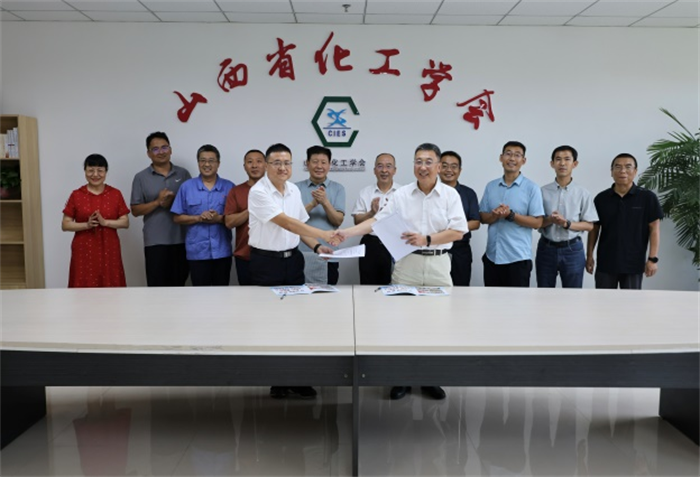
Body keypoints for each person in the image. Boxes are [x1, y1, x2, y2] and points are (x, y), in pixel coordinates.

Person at [333, 143, 467, 401]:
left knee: (436, 324)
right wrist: (346, 233)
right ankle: (401, 378)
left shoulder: (450, 195)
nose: (423, 166)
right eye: (418, 161)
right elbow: (376, 221)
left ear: (439, 166)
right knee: (403, 323)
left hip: (438, 263)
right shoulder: (402, 194)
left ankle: (430, 379)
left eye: (428, 161)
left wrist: (427, 239)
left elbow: (458, 231)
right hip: (407, 264)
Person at [248, 143, 337, 400]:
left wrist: (318, 246)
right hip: (267, 264)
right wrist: (323, 234)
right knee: (271, 323)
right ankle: (277, 381)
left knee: (297, 322)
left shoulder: (294, 190)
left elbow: (298, 227)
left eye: (287, 163)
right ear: (267, 165)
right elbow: (286, 222)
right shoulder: (258, 192)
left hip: (293, 261)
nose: (282, 168)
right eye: (276, 163)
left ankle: (298, 378)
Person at [586, 153, 663, 289]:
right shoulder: (601, 198)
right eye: (618, 167)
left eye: (628, 167)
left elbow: (654, 229)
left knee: (631, 302)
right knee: (602, 300)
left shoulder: (647, 197)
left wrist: (652, 259)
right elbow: (594, 229)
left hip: (633, 264)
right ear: (611, 171)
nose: (623, 171)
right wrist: (589, 256)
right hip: (606, 263)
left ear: (635, 171)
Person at [479, 141, 545, 287]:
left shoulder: (532, 188)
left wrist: (511, 215)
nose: (512, 158)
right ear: (501, 158)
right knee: (491, 300)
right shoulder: (491, 186)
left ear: (524, 160)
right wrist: (494, 216)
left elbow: (538, 222)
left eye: (517, 155)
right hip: (492, 256)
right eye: (508, 154)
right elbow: (482, 217)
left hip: (518, 259)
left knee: (517, 302)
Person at [130, 131, 191, 287]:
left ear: (171, 150)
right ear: (149, 153)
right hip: (155, 242)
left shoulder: (183, 174)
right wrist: (157, 202)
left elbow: (191, 206)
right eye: (155, 149)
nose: (161, 152)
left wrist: (173, 202)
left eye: (164, 147)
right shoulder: (141, 177)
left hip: (181, 239)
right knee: (156, 288)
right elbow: (135, 210)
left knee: (180, 287)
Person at [62, 154, 130, 287]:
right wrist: (86, 225)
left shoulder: (115, 194)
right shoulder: (76, 195)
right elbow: (65, 224)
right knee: (83, 285)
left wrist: (106, 223)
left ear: (106, 172)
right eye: (91, 170)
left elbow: (125, 222)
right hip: (83, 249)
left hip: (110, 248)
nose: (95, 174)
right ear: (85, 171)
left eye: (100, 170)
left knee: (111, 286)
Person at [171, 145, 234, 287]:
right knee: (199, 295)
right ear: (198, 163)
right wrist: (198, 218)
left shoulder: (229, 187)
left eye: (211, 160)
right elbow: (177, 217)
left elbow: (236, 219)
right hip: (197, 253)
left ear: (218, 163)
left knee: (222, 293)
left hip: (222, 251)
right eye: (203, 160)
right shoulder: (187, 187)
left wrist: (219, 218)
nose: (207, 164)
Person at [536, 145, 598, 288]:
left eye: (567, 159)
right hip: (546, 248)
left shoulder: (582, 193)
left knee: (573, 294)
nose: (562, 163)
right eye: (558, 159)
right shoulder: (542, 191)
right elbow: (536, 223)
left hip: (573, 249)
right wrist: (550, 220)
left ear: (574, 164)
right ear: (552, 164)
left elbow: (589, 225)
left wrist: (567, 224)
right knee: (544, 293)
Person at [296, 145, 346, 284]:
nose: (319, 166)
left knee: (328, 294)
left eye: (323, 162)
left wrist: (325, 202)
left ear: (329, 165)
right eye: (315, 162)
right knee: (300, 294)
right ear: (307, 164)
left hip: (329, 254)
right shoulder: (295, 188)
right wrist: (313, 203)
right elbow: (292, 221)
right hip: (301, 253)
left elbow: (337, 221)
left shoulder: (338, 188)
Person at [351, 153, 401, 285]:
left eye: (388, 166)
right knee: (368, 286)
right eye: (380, 166)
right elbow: (357, 221)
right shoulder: (365, 192)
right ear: (374, 170)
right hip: (371, 243)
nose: (384, 170)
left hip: (396, 242)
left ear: (394, 170)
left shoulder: (403, 193)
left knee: (397, 283)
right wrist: (371, 213)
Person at [224, 149, 265, 286]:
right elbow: (229, 223)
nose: (254, 165)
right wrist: (251, 208)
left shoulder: (276, 189)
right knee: (246, 296)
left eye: (259, 161)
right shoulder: (236, 191)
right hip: (245, 255)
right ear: (244, 167)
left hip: (272, 256)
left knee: (270, 296)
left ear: (266, 165)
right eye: (250, 162)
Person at [439, 150, 481, 286]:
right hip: (436, 249)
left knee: (460, 289)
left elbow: (475, 222)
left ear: (460, 170)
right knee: (435, 289)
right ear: (438, 168)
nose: (449, 170)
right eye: (444, 166)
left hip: (460, 250)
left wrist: (451, 229)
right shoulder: (430, 192)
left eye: (454, 166)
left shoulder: (468, 193)